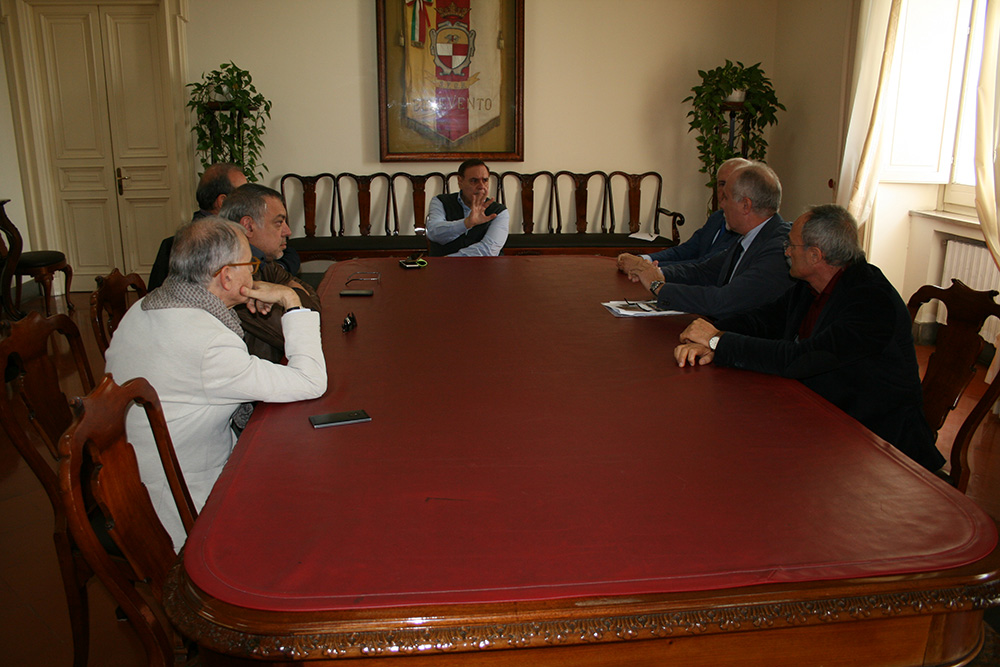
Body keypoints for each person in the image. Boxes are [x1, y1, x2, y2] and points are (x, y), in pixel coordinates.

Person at [106, 217, 327, 549]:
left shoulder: (143, 308)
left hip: (132, 480)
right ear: (226, 276)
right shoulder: (207, 342)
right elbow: (310, 381)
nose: (254, 275)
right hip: (180, 505)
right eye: (250, 266)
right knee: (307, 500)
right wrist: (290, 300)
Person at [674, 204, 944, 471]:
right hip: (822, 417)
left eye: (791, 245)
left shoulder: (871, 301)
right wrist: (710, 333)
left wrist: (718, 341)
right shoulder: (810, 285)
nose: (786, 251)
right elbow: (764, 319)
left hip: (878, 446)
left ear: (815, 255)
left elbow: (801, 359)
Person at [626, 162, 793, 320]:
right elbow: (704, 271)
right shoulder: (751, 236)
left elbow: (724, 300)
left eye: (726, 198)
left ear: (745, 205)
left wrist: (658, 287)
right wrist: (654, 272)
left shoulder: (779, 248)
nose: (722, 204)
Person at [147, 164, 300, 289]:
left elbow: (290, 252)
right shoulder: (210, 248)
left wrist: (277, 272)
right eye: (243, 192)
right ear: (223, 201)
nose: (252, 197)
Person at [218, 183, 321, 363]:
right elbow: (301, 332)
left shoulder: (262, 261)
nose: (287, 231)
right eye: (279, 223)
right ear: (248, 226)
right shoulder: (233, 276)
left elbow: (312, 311)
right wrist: (289, 293)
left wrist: (289, 294)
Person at [617, 157, 747, 273]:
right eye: (722, 184)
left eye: (732, 185)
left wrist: (645, 267)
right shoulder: (717, 218)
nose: (725, 191)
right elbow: (685, 250)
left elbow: (704, 266)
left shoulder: (743, 228)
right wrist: (645, 259)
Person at [426, 159, 509, 256]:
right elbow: (434, 234)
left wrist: (448, 260)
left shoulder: (499, 211)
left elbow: (488, 250)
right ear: (460, 181)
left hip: (482, 265)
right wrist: (466, 223)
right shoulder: (440, 201)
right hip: (442, 264)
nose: (481, 186)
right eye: (474, 181)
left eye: (485, 180)